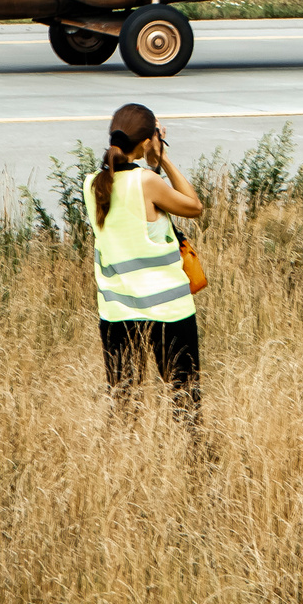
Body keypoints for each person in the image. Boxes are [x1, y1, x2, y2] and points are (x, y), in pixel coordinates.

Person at [84, 103, 202, 420]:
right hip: (167, 312)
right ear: (148, 140)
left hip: (117, 312)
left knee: (125, 407)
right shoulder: (147, 181)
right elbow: (194, 206)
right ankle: (198, 468)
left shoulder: (93, 184)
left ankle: (129, 467)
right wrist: (162, 158)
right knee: (185, 403)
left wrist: (150, 155)